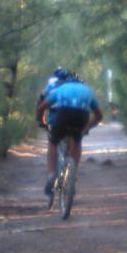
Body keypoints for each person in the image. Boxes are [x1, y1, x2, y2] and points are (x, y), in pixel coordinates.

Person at [36, 69, 103, 202]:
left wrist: (42, 121)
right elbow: (99, 116)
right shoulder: (87, 90)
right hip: (82, 116)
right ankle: (73, 173)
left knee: (53, 142)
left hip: (63, 114)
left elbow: (42, 106)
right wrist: (87, 128)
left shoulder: (62, 88)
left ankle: (51, 175)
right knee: (76, 140)